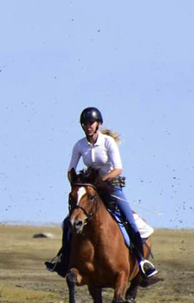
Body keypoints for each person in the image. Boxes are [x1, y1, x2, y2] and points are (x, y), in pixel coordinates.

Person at [45, 107, 159, 280]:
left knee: (129, 219)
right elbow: (71, 169)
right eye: (85, 124)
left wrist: (103, 180)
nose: (88, 126)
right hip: (89, 188)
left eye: (91, 123)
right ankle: (63, 260)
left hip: (110, 187)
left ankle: (142, 261)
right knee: (68, 224)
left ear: (98, 124)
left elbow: (118, 169)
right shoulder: (79, 145)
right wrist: (75, 182)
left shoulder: (107, 142)